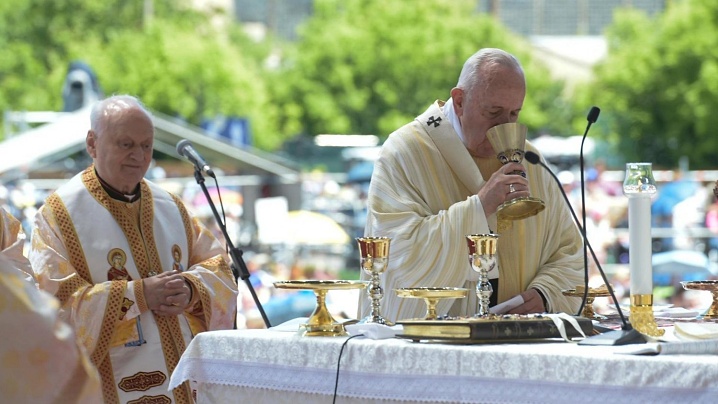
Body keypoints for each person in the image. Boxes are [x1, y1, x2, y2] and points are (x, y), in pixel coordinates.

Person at [29, 95, 238, 403]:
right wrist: (137, 296)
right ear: (92, 143)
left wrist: (192, 289)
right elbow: (53, 306)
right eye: (125, 144)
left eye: (146, 145)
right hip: (108, 385)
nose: (138, 156)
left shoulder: (171, 207)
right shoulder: (59, 215)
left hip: (184, 382)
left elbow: (218, 268)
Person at [359, 48, 583, 322]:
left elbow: (571, 252)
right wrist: (480, 207)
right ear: (460, 100)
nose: (504, 127)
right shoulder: (405, 152)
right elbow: (396, 253)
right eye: (493, 112)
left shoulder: (532, 160)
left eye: (514, 114)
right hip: (432, 342)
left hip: (521, 340)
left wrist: (545, 294)